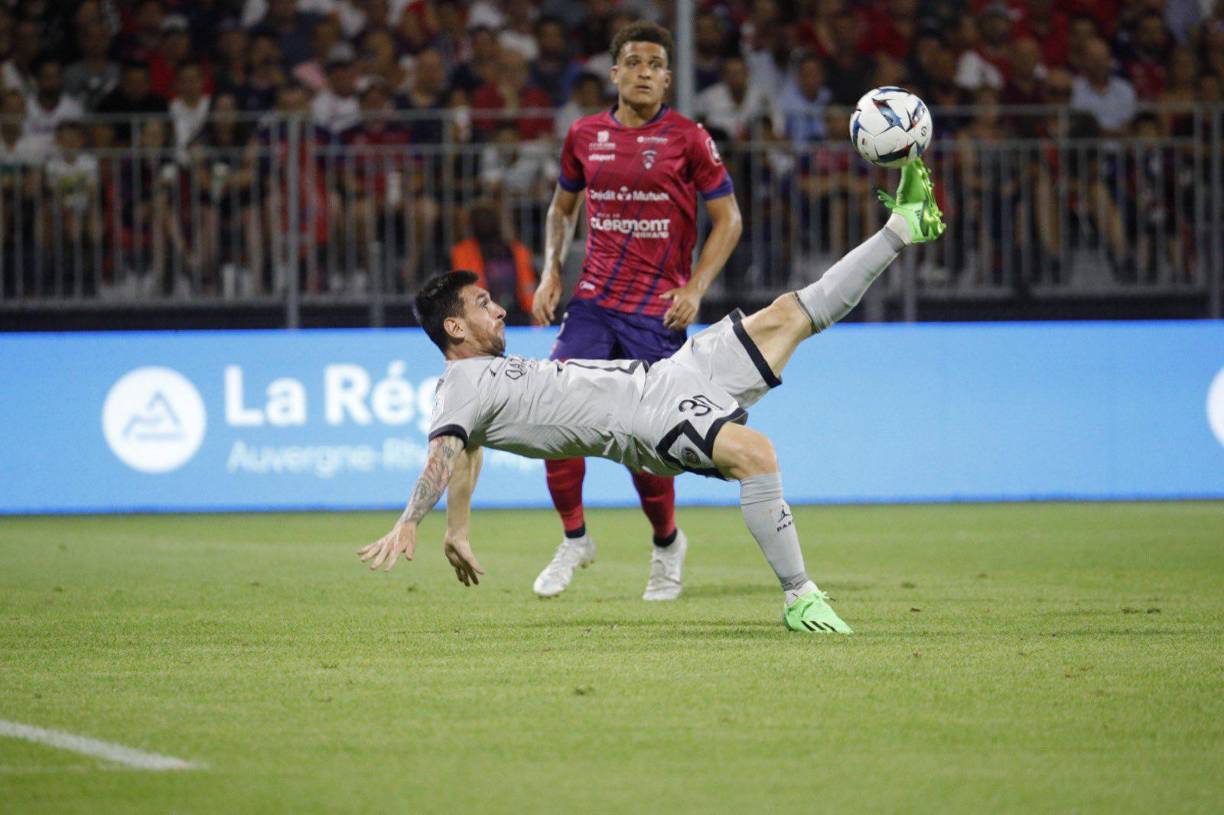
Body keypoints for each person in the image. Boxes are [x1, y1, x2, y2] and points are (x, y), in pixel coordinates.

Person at [359, 160, 947, 633]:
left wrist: (457, 529)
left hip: (665, 374)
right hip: (647, 423)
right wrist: (413, 518)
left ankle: (902, 228)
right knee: (757, 454)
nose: (500, 308)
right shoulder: (457, 385)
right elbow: (445, 450)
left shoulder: (483, 382)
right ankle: (800, 596)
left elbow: (467, 451)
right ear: (454, 329)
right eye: (484, 304)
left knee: (789, 313)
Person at [529, 21, 743, 603]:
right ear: (615, 72)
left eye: (655, 63)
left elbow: (729, 219)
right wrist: (551, 270)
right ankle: (575, 537)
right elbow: (561, 208)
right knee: (555, 420)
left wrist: (696, 286)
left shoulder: (690, 140)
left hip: (658, 316)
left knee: (647, 448)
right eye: (634, 61)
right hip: (594, 305)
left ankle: (667, 545)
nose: (644, 71)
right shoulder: (584, 136)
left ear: (668, 79)